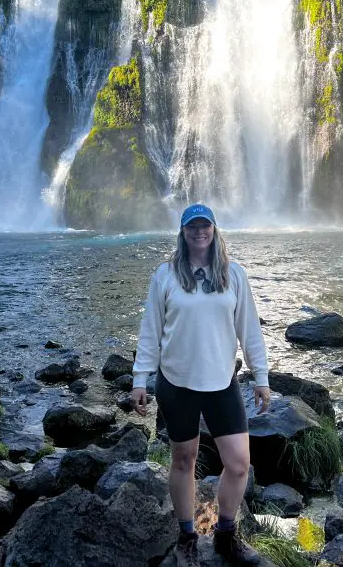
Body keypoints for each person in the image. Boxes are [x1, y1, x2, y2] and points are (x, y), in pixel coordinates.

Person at [131, 203, 271, 567]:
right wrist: (139, 379)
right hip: (176, 383)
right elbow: (150, 331)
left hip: (221, 382)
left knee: (239, 464)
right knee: (183, 459)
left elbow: (249, 329)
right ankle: (187, 534)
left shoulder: (233, 274)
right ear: (183, 232)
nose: (198, 232)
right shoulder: (165, 276)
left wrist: (261, 376)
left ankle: (226, 534)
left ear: (213, 230)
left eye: (204, 226)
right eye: (191, 227)